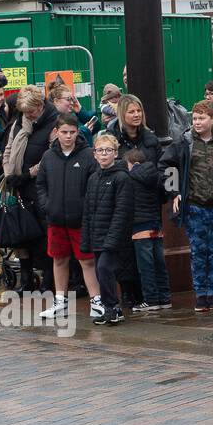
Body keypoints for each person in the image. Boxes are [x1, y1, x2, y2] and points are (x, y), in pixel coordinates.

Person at [164, 100, 213, 312]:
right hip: (195, 205)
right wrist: (173, 192)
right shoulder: (184, 142)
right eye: (195, 118)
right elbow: (166, 165)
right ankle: (201, 293)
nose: (197, 122)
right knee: (199, 251)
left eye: (202, 118)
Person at [107, 95, 170, 313]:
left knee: (151, 254)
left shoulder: (150, 139)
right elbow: (114, 168)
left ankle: (154, 296)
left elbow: (159, 168)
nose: (136, 115)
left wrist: (160, 188)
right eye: (131, 112)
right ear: (122, 114)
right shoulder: (112, 137)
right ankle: (130, 291)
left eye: (139, 111)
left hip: (148, 202)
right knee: (126, 252)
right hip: (123, 202)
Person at [34, 114, 100, 321]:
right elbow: (41, 185)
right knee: (59, 259)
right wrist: (47, 206)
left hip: (80, 220)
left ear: (77, 132)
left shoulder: (88, 155)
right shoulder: (48, 156)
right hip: (55, 219)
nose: (68, 136)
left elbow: (94, 185)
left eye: (72, 132)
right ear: (57, 132)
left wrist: (86, 209)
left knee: (87, 261)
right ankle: (60, 302)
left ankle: (96, 301)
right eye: (64, 132)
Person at [2, 85, 59, 296]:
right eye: (25, 112)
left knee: (45, 235)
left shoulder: (54, 120)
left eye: (31, 111)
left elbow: (52, 153)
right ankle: (26, 281)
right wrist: (9, 175)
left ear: (40, 105)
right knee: (21, 234)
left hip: (41, 185)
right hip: (19, 186)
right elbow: (9, 149)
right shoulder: (20, 122)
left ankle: (48, 280)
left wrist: (28, 175)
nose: (28, 115)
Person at [81, 133, 134, 326]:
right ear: (94, 154)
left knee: (105, 269)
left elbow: (122, 211)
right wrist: (86, 239)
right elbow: (87, 211)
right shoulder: (93, 178)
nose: (104, 154)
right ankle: (111, 307)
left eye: (108, 150)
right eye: (100, 150)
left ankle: (112, 306)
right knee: (101, 271)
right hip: (97, 235)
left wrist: (112, 239)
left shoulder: (121, 178)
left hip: (113, 237)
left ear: (115, 153)